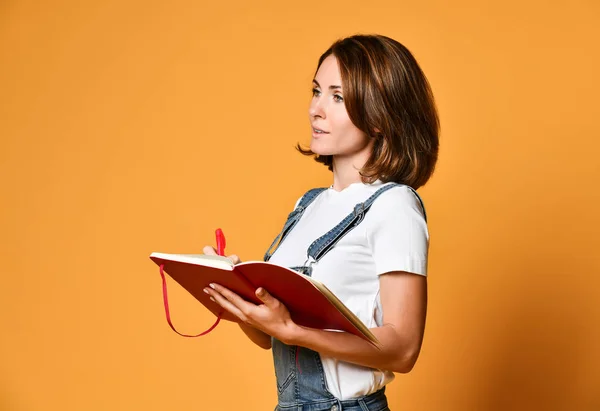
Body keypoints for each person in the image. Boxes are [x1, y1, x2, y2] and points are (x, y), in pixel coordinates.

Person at [203, 34, 439, 411]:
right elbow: (270, 338)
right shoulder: (307, 205)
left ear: (380, 117)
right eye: (316, 91)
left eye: (338, 97)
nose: (316, 109)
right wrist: (238, 298)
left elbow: (404, 349)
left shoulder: (395, 206)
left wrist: (296, 331)